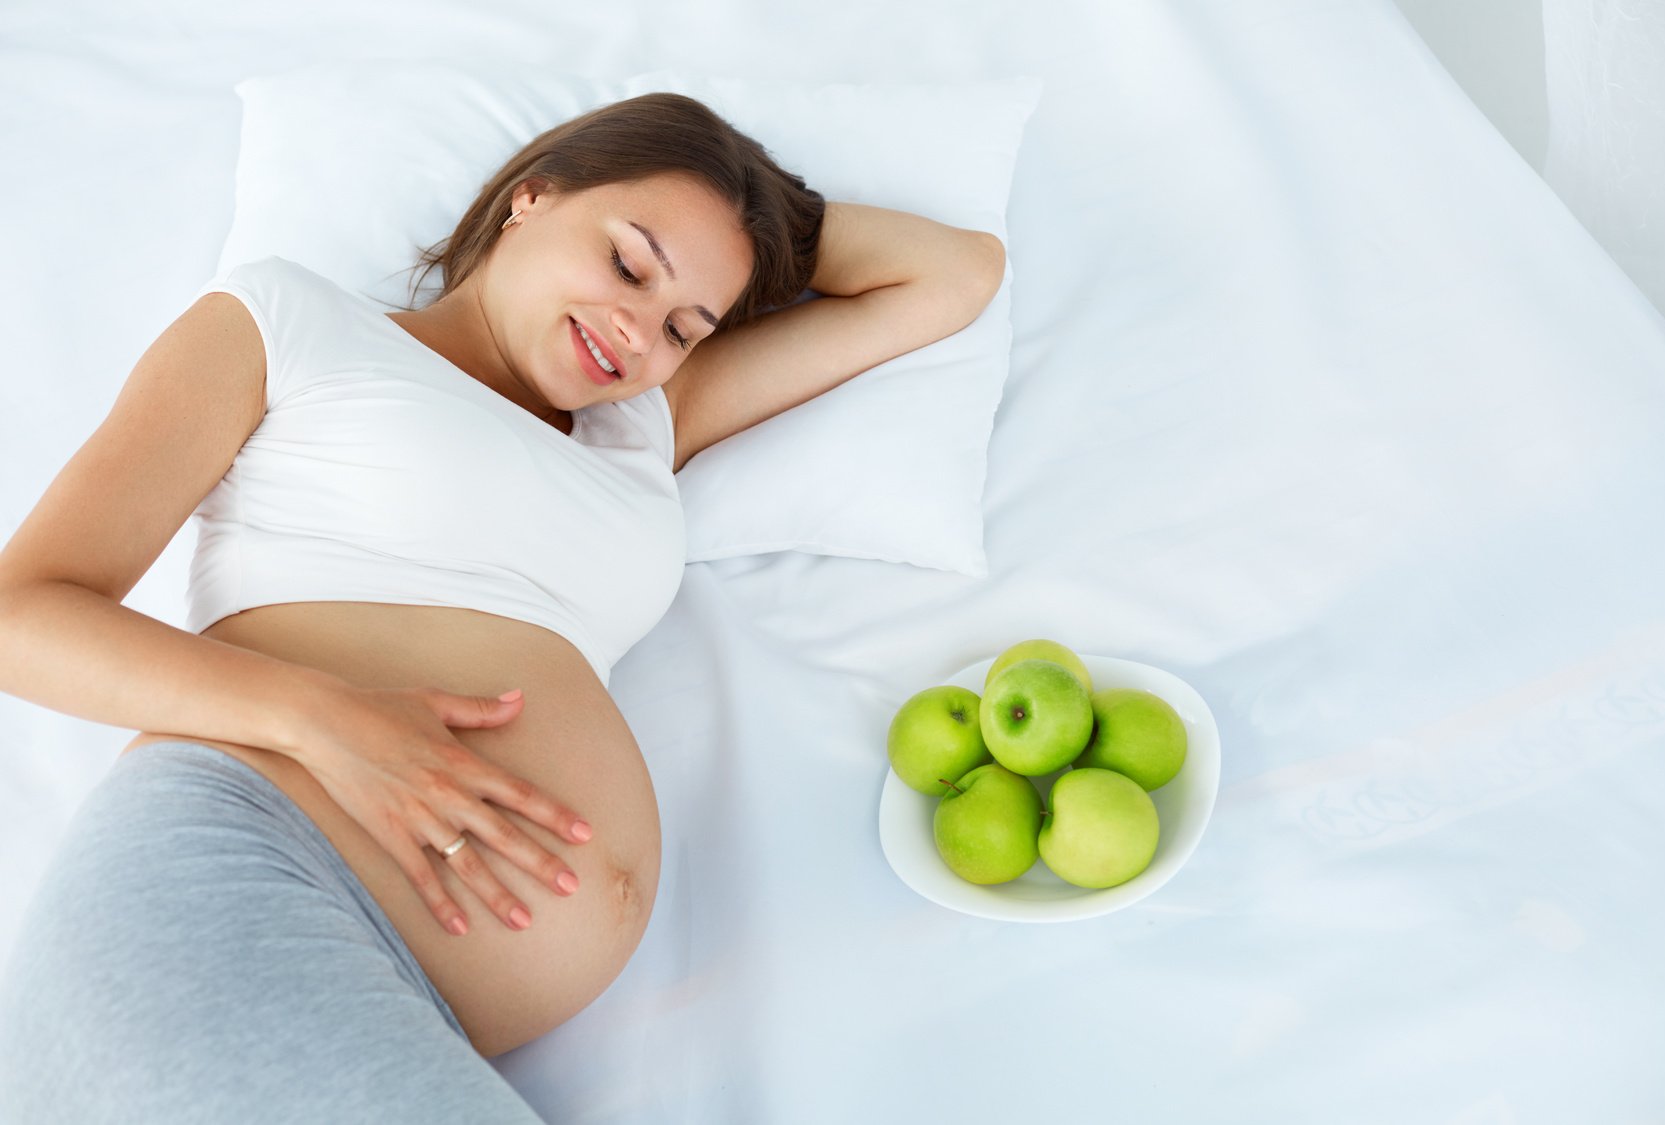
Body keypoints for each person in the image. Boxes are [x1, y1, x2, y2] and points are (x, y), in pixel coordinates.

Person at [0, 91, 1005, 1120]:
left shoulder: (642, 428)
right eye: (627, 261)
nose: (637, 327)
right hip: (234, 877)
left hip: (384, 988)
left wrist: (760, 220)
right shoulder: (289, 321)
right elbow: (22, 614)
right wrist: (329, 722)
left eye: (684, 324)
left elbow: (953, 275)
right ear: (531, 195)